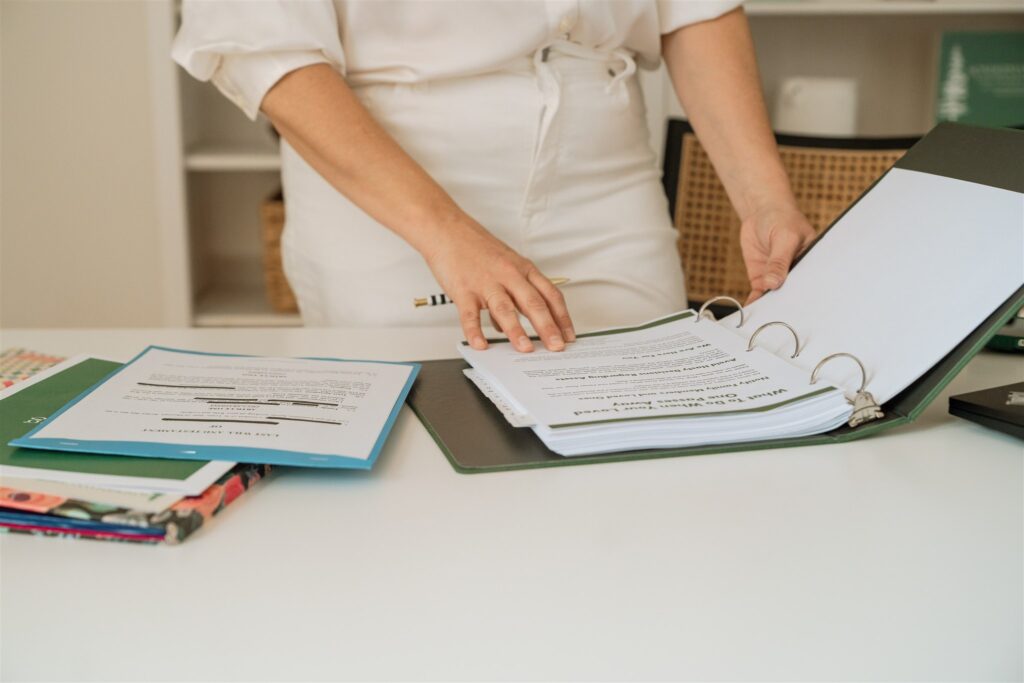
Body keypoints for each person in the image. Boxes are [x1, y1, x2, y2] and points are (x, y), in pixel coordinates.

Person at [173, 0, 815, 353]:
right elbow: (265, 48)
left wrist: (762, 200)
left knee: (634, 440)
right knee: (418, 470)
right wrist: (447, 234)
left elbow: (694, 9)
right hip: (396, 195)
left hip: (607, 183)